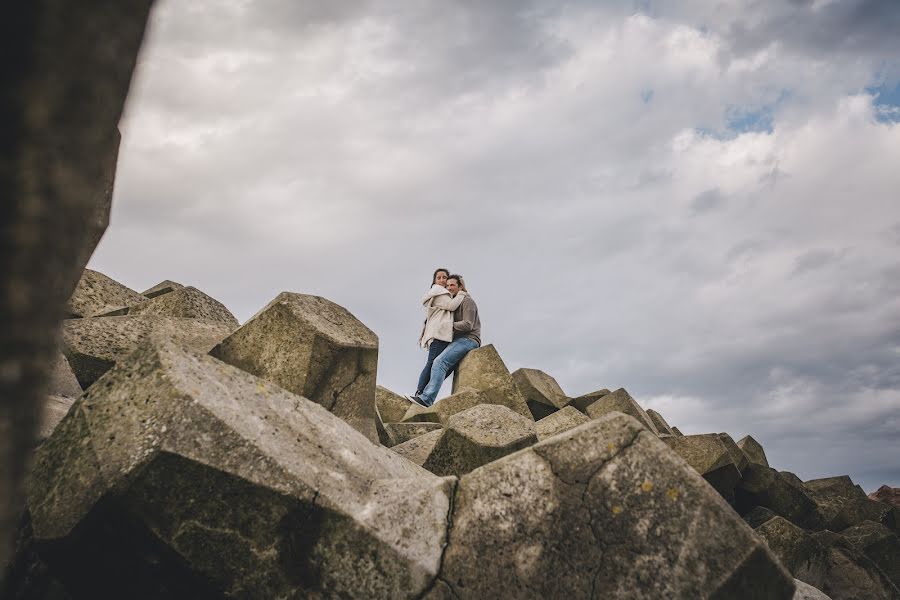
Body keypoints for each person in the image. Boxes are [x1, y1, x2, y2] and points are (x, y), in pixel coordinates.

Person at [415, 274, 480, 407]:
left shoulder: (468, 301)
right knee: (437, 365)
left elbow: (468, 325)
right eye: (447, 285)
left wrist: (448, 326)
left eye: (452, 285)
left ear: (460, 287)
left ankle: (426, 399)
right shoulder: (453, 303)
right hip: (456, 341)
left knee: (439, 361)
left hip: (469, 339)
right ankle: (423, 395)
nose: (449, 288)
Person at [407, 268, 469, 403]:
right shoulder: (439, 292)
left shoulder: (443, 293)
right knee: (432, 363)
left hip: (440, 334)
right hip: (439, 334)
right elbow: (451, 306)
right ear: (434, 281)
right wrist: (462, 294)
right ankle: (421, 392)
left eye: (444, 277)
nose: (442, 280)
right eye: (439, 277)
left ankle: (425, 392)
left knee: (441, 365)